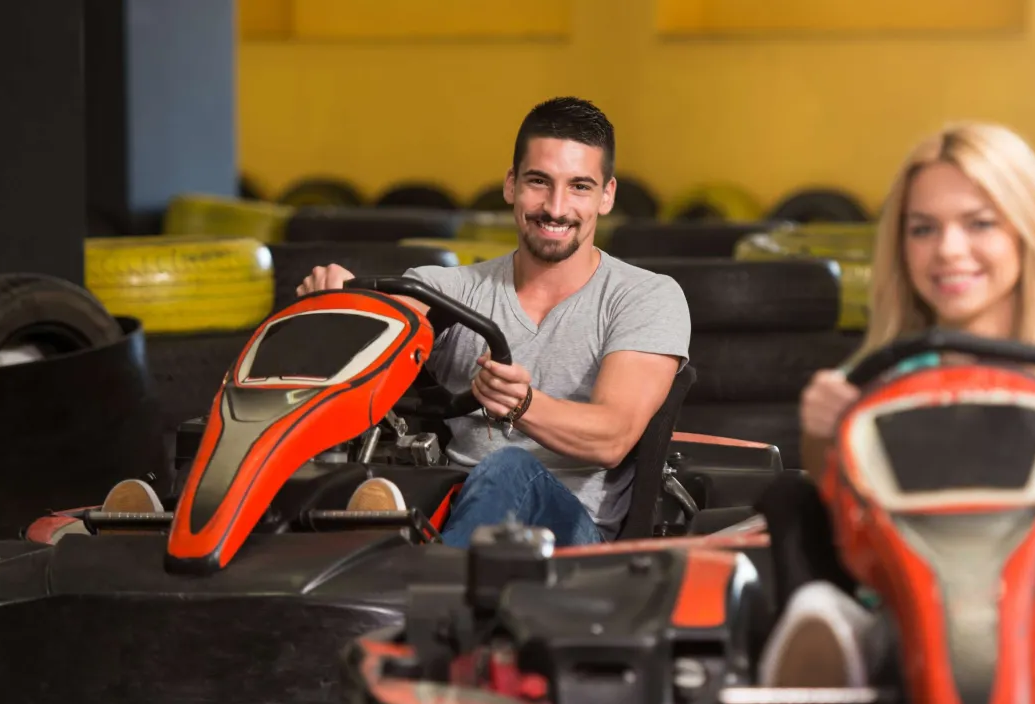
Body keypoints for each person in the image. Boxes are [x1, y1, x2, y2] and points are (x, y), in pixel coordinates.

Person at [101, 97, 692, 549]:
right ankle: (174, 528)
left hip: (571, 538)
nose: (556, 208)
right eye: (539, 181)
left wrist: (521, 407)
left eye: (579, 187)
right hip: (440, 506)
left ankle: (432, 612)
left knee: (506, 466)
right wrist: (330, 306)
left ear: (607, 196)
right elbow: (383, 321)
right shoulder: (445, 288)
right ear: (512, 185)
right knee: (333, 456)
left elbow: (614, 435)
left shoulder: (644, 297)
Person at [757, 121, 1035, 689]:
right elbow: (828, 487)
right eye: (923, 229)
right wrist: (821, 428)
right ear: (901, 246)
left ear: (1026, 234)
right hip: (903, 605)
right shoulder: (874, 380)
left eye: (980, 224)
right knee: (792, 496)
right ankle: (840, 638)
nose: (948, 250)